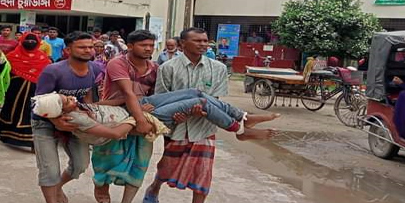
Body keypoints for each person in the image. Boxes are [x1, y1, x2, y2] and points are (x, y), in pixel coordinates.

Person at [143, 27, 230, 203]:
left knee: (204, 172)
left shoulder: (218, 68)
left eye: (205, 40)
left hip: (205, 126)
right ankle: (155, 187)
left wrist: (204, 110)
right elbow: (162, 99)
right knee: (167, 166)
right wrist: (175, 114)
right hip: (177, 126)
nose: (203, 44)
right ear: (182, 45)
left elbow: (216, 99)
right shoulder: (168, 68)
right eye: (197, 40)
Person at [32, 31, 102, 203]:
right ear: (68, 50)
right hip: (44, 122)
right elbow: (38, 103)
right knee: (49, 170)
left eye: (90, 47)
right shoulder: (53, 71)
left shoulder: (94, 69)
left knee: (80, 165)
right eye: (82, 47)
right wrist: (56, 121)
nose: (88, 50)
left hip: (74, 121)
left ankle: (58, 186)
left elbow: (88, 95)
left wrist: (90, 113)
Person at [32, 90, 277, 146]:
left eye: (67, 97)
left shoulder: (78, 108)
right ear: (60, 113)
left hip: (137, 108)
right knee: (199, 103)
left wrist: (134, 102)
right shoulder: (75, 120)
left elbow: (104, 104)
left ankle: (244, 116)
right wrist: (139, 116)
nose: (71, 98)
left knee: (196, 91)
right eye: (66, 102)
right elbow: (116, 134)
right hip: (138, 118)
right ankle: (239, 129)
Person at [91, 30, 157, 203]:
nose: (148, 49)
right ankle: (101, 184)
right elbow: (128, 94)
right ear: (129, 46)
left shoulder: (154, 68)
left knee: (141, 160)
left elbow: (153, 96)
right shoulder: (117, 63)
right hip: (115, 115)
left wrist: (146, 114)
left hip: (142, 114)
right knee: (107, 156)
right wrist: (141, 119)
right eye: (143, 45)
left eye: (151, 45)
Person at [0, 32, 51, 149]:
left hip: (35, 91)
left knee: (31, 112)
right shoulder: (12, 55)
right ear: (22, 41)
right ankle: (7, 136)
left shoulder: (43, 58)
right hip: (14, 90)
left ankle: (30, 141)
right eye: (27, 40)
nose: (30, 43)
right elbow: (4, 70)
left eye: (33, 41)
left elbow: (49, 74)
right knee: (11, 110)